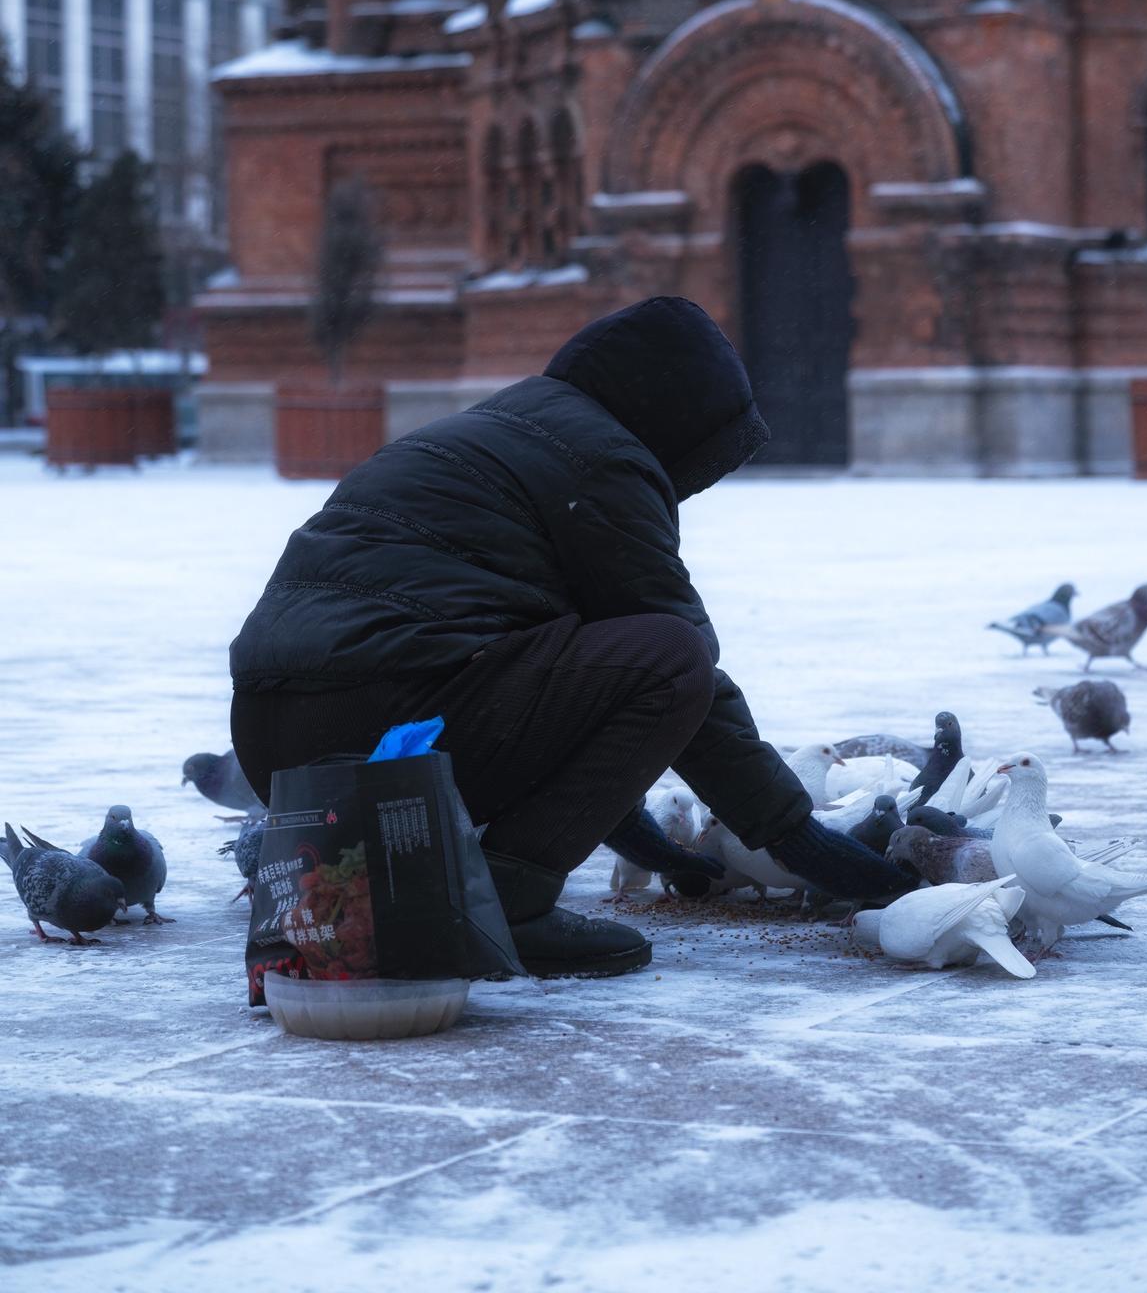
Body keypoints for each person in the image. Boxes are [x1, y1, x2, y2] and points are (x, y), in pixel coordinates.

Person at [230, 296, 910, 978]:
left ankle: (467, 885)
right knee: (671, 659)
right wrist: (795, 837)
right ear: (680, 421)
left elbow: (564, 687)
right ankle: (506, 906)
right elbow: (681, 674)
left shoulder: (501, 430)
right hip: (385, 709)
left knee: (600, 644)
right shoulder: (602, 460)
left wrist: (640, 836)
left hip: (276, 741)